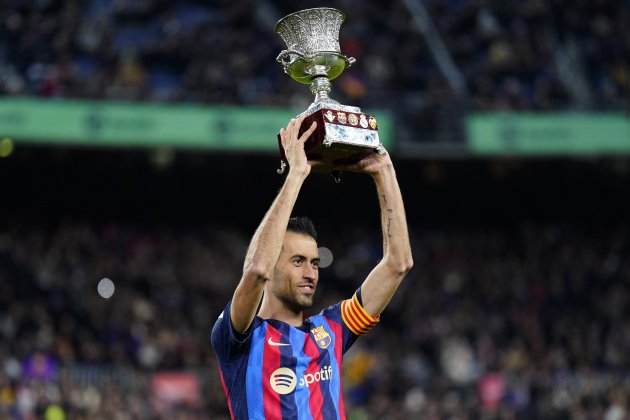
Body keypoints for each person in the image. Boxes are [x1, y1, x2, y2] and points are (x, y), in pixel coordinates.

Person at [211, 113, 413, 419]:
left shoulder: (331, 329)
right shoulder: (240, 336)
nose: (311, 273)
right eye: (298, 261)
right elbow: (255, 271)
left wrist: (383, 170)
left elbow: (398, 264)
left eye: (315, 263)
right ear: (274, 266)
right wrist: (297, 175)